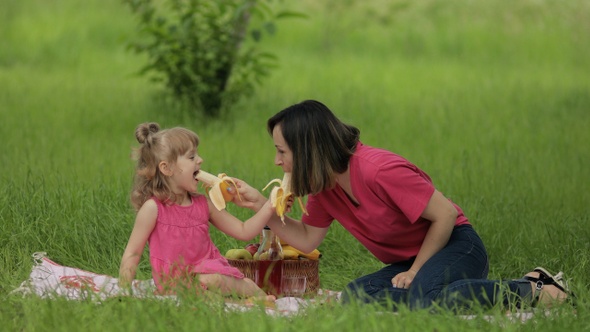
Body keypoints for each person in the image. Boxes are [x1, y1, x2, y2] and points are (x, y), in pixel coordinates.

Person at [230, 99, 572, 310]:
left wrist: (415, 271)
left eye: (282, 152)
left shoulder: (380, 170)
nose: (277, 161)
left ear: (308, 150)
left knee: (425, 298)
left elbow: (446, 215)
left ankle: (534, 288)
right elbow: (305, 239)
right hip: (410, 260)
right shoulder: (324, 188)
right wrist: (263, 205)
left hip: (456, 244)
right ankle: (450, 290)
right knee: (355, 297)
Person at [119, 122, 275, 303]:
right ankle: (238, 304)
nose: (200, 160)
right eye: (192, 157)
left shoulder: (203, 204)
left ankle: (260, 298)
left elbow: (243, 230)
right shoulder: (153, 209)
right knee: (200, 295)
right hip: (174, 286)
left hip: (208, 274)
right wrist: (124, 292)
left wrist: (269, 206)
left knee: (214, 280)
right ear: (166, 168)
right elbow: (132, 252)